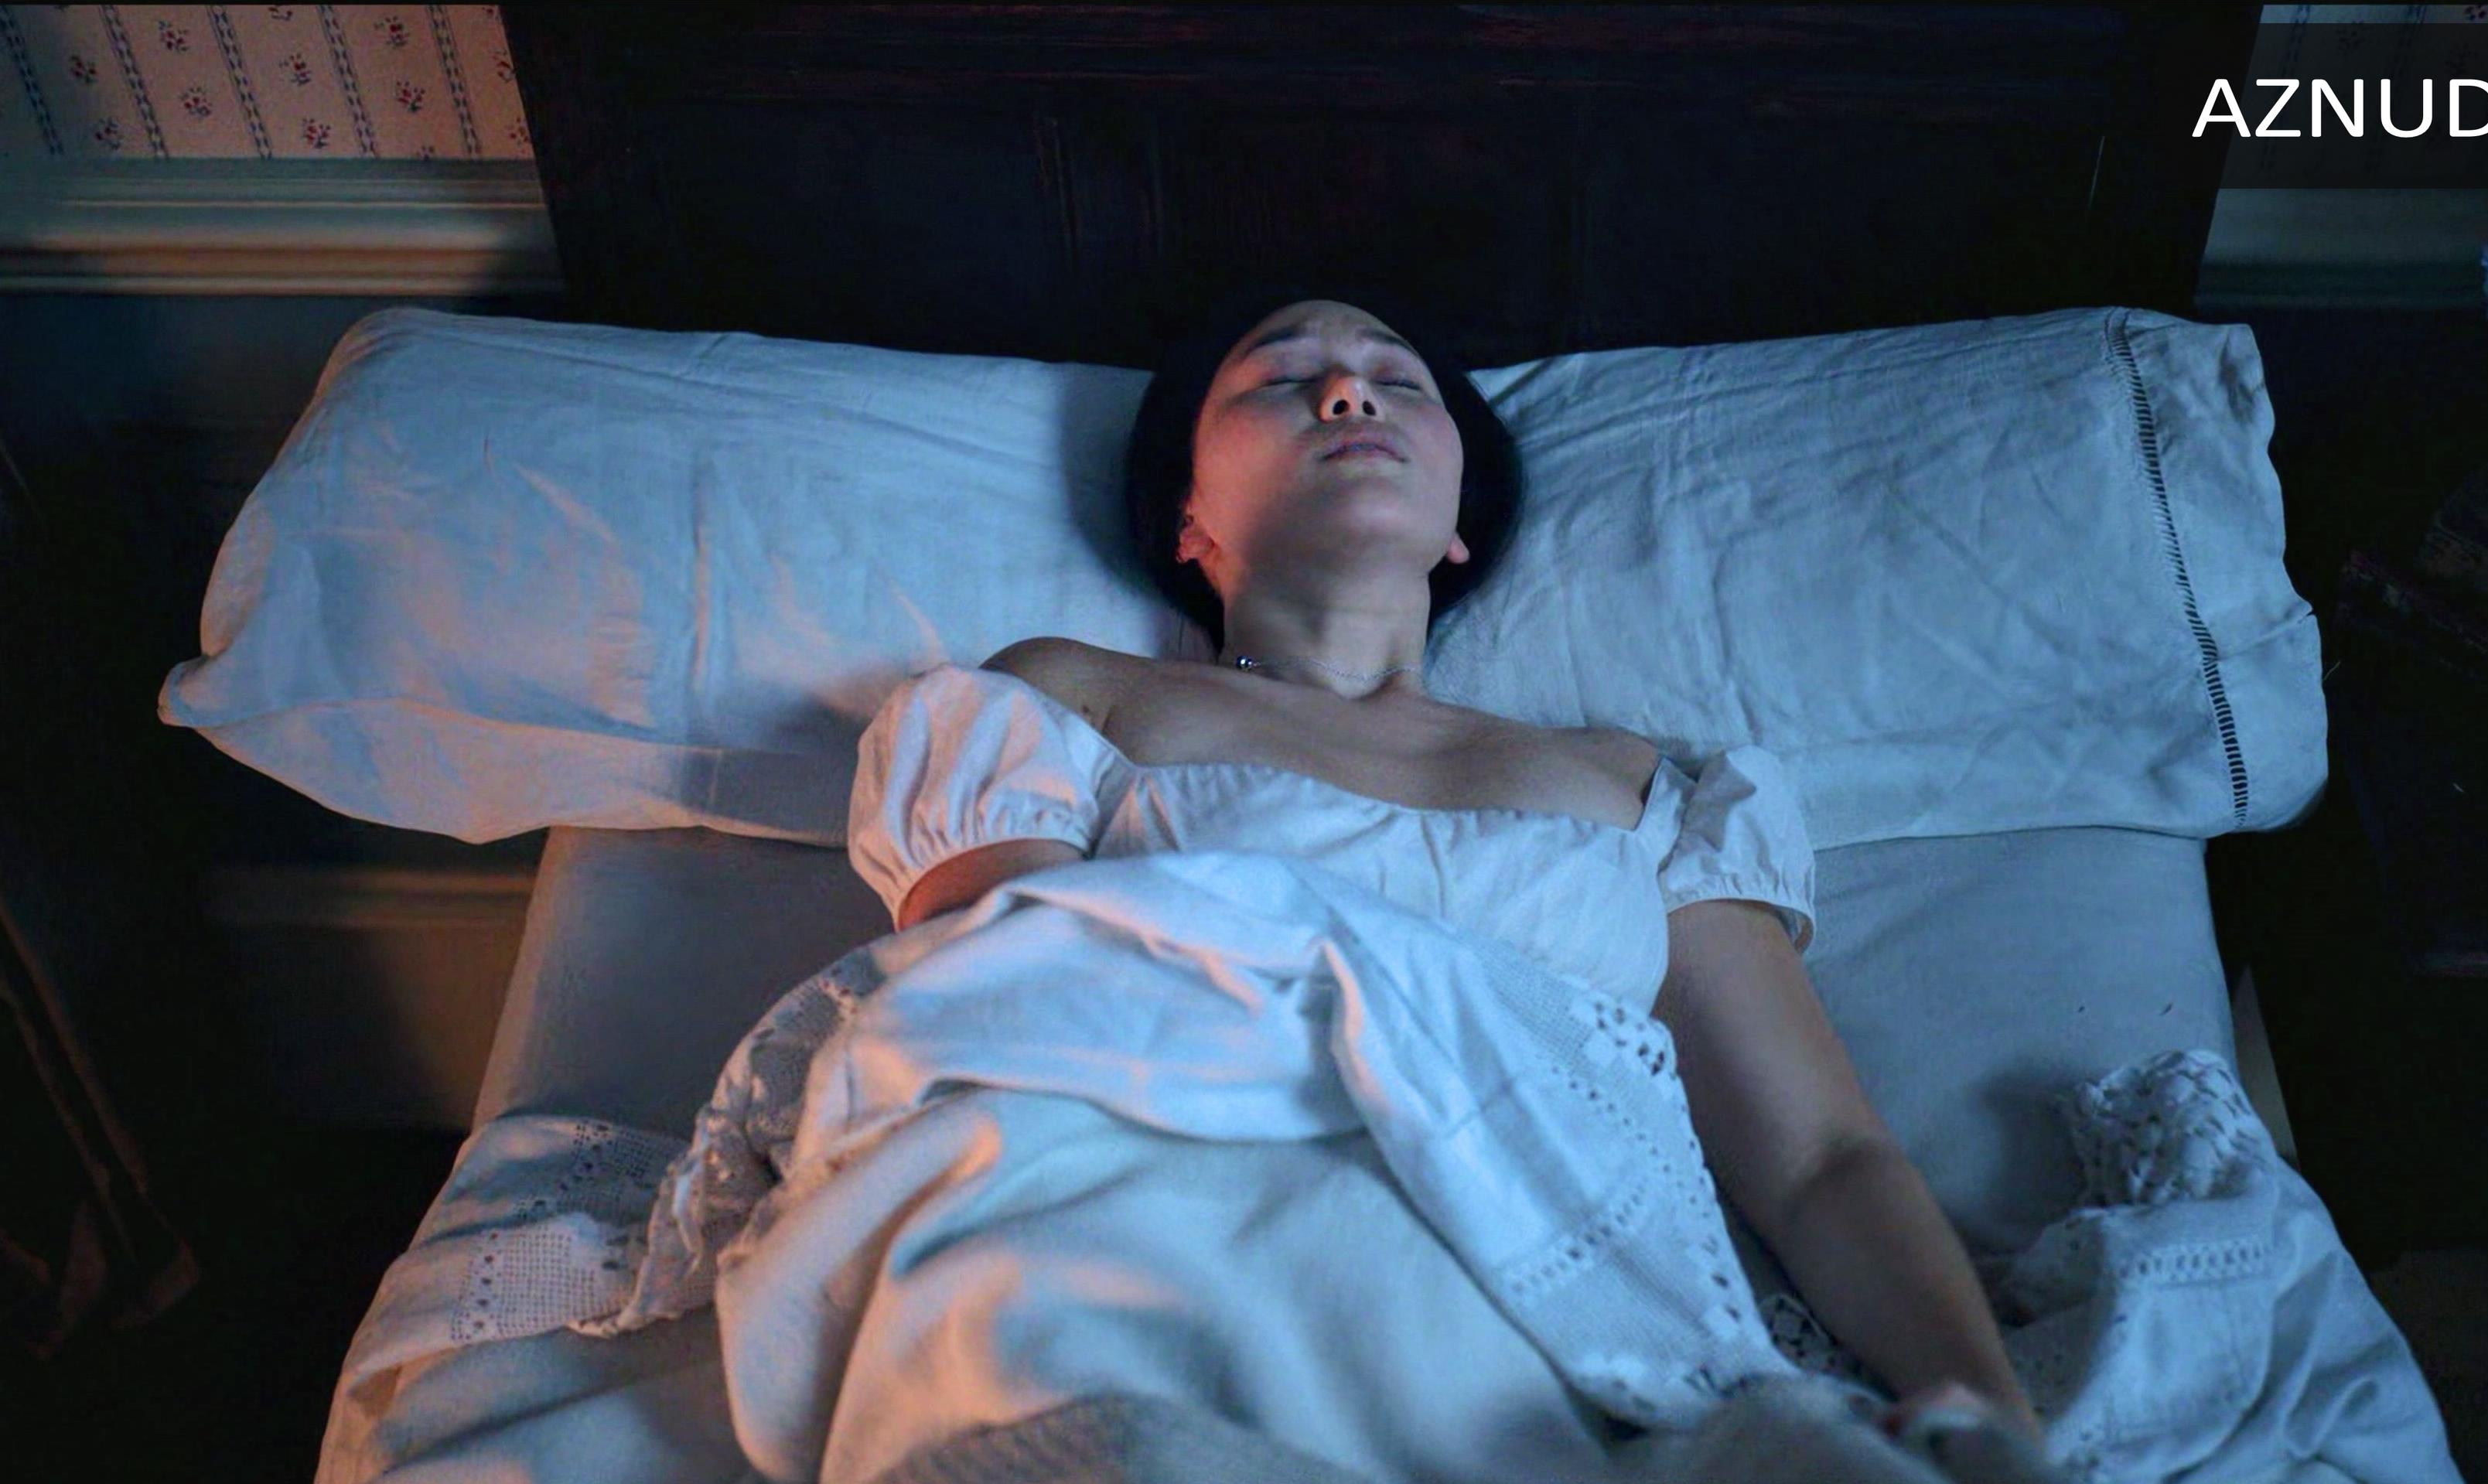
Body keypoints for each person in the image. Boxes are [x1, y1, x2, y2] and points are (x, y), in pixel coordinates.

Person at [852, 281, 2043, 1458]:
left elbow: (1822, 1162)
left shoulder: (1635, 785)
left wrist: (1990, 1412)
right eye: (1281, 375)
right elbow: (989, 1031)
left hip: (1539, 1321)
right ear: (1189, 518)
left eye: (1398, 381)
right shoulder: (1071, 696)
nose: (1344, 390)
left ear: (1460, 517)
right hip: (1159, 1256)